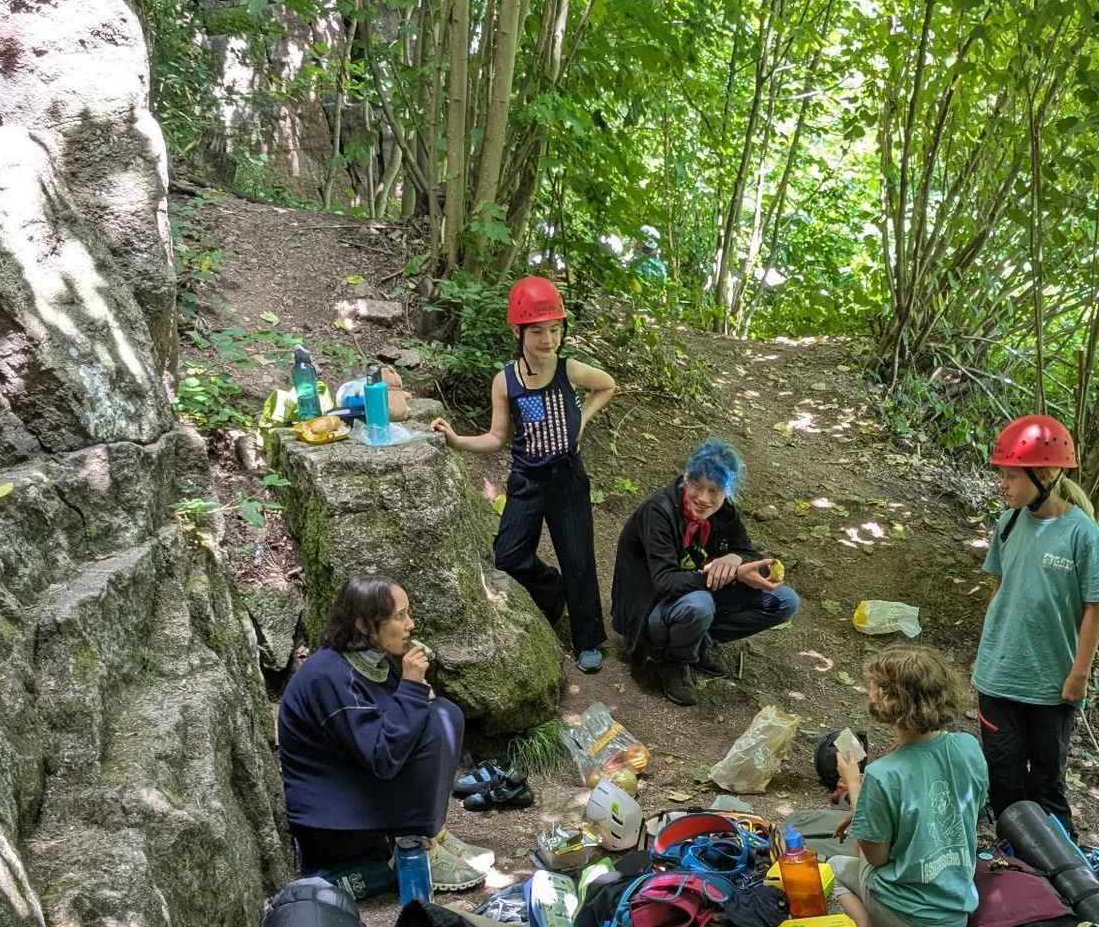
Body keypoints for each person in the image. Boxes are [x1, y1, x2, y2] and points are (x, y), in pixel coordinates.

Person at [429, 277, 616, 674]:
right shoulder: (506, 380)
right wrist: (458, 441)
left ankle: (587, 640)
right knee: (509, 556)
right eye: (537, 331)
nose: (547, 339)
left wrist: (579, 421)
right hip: (527, 481)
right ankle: (552, 593)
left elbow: (607, 386)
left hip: (567, 478)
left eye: (554, 329)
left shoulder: (571, 370)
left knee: (578, 558)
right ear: (518, 331)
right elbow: (497, 437)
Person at [276, 576, 489, 894]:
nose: (410, 624)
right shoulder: (330, 676)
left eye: (408, 614)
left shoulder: (372, 661)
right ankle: (418, 849)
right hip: (332, 823)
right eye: (399, 616)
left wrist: (414, 695)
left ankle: (432, 834)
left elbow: (390, 729)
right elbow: (382, 757)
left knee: (444, 714)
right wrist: (412, 690)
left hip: (355, 784)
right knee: (435, 723)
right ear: (363, 625)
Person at [972, 414, 1099, 839]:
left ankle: (1062, 875)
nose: (1003, 485)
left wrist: (1079, 675)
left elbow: (1094, 608)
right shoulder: (1008, 523)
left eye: (1012, 476)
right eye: (1003, 474)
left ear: (1047, 473)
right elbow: (1001, 590)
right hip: (999, 679)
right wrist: (992, 651)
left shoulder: (1082, 535)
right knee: (1004, 781)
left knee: (1047, 784)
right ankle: (1013, 867)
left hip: (1052, 685)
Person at [827, 645, 989, 927]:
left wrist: (856, 783)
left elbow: (875, 857)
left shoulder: (883, 776)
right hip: (957, 907)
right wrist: (865, 807)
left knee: (835, 868)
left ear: (889, 700)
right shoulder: (969, 747)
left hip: (909, 918)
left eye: (874, 686)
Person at [610, 438, 800, 706]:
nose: (703, 498)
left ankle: (700, 642)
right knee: (700, 605)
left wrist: (736, 558)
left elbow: (750, 555)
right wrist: (728, 574)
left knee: (785, 601)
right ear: (686, 476)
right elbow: (664, 583)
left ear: (727, 491)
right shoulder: (658, 512)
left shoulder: (724, 513)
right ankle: (673, 661)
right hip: (650, 609)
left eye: (714, 491)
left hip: (690, 595)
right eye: (696, 486)